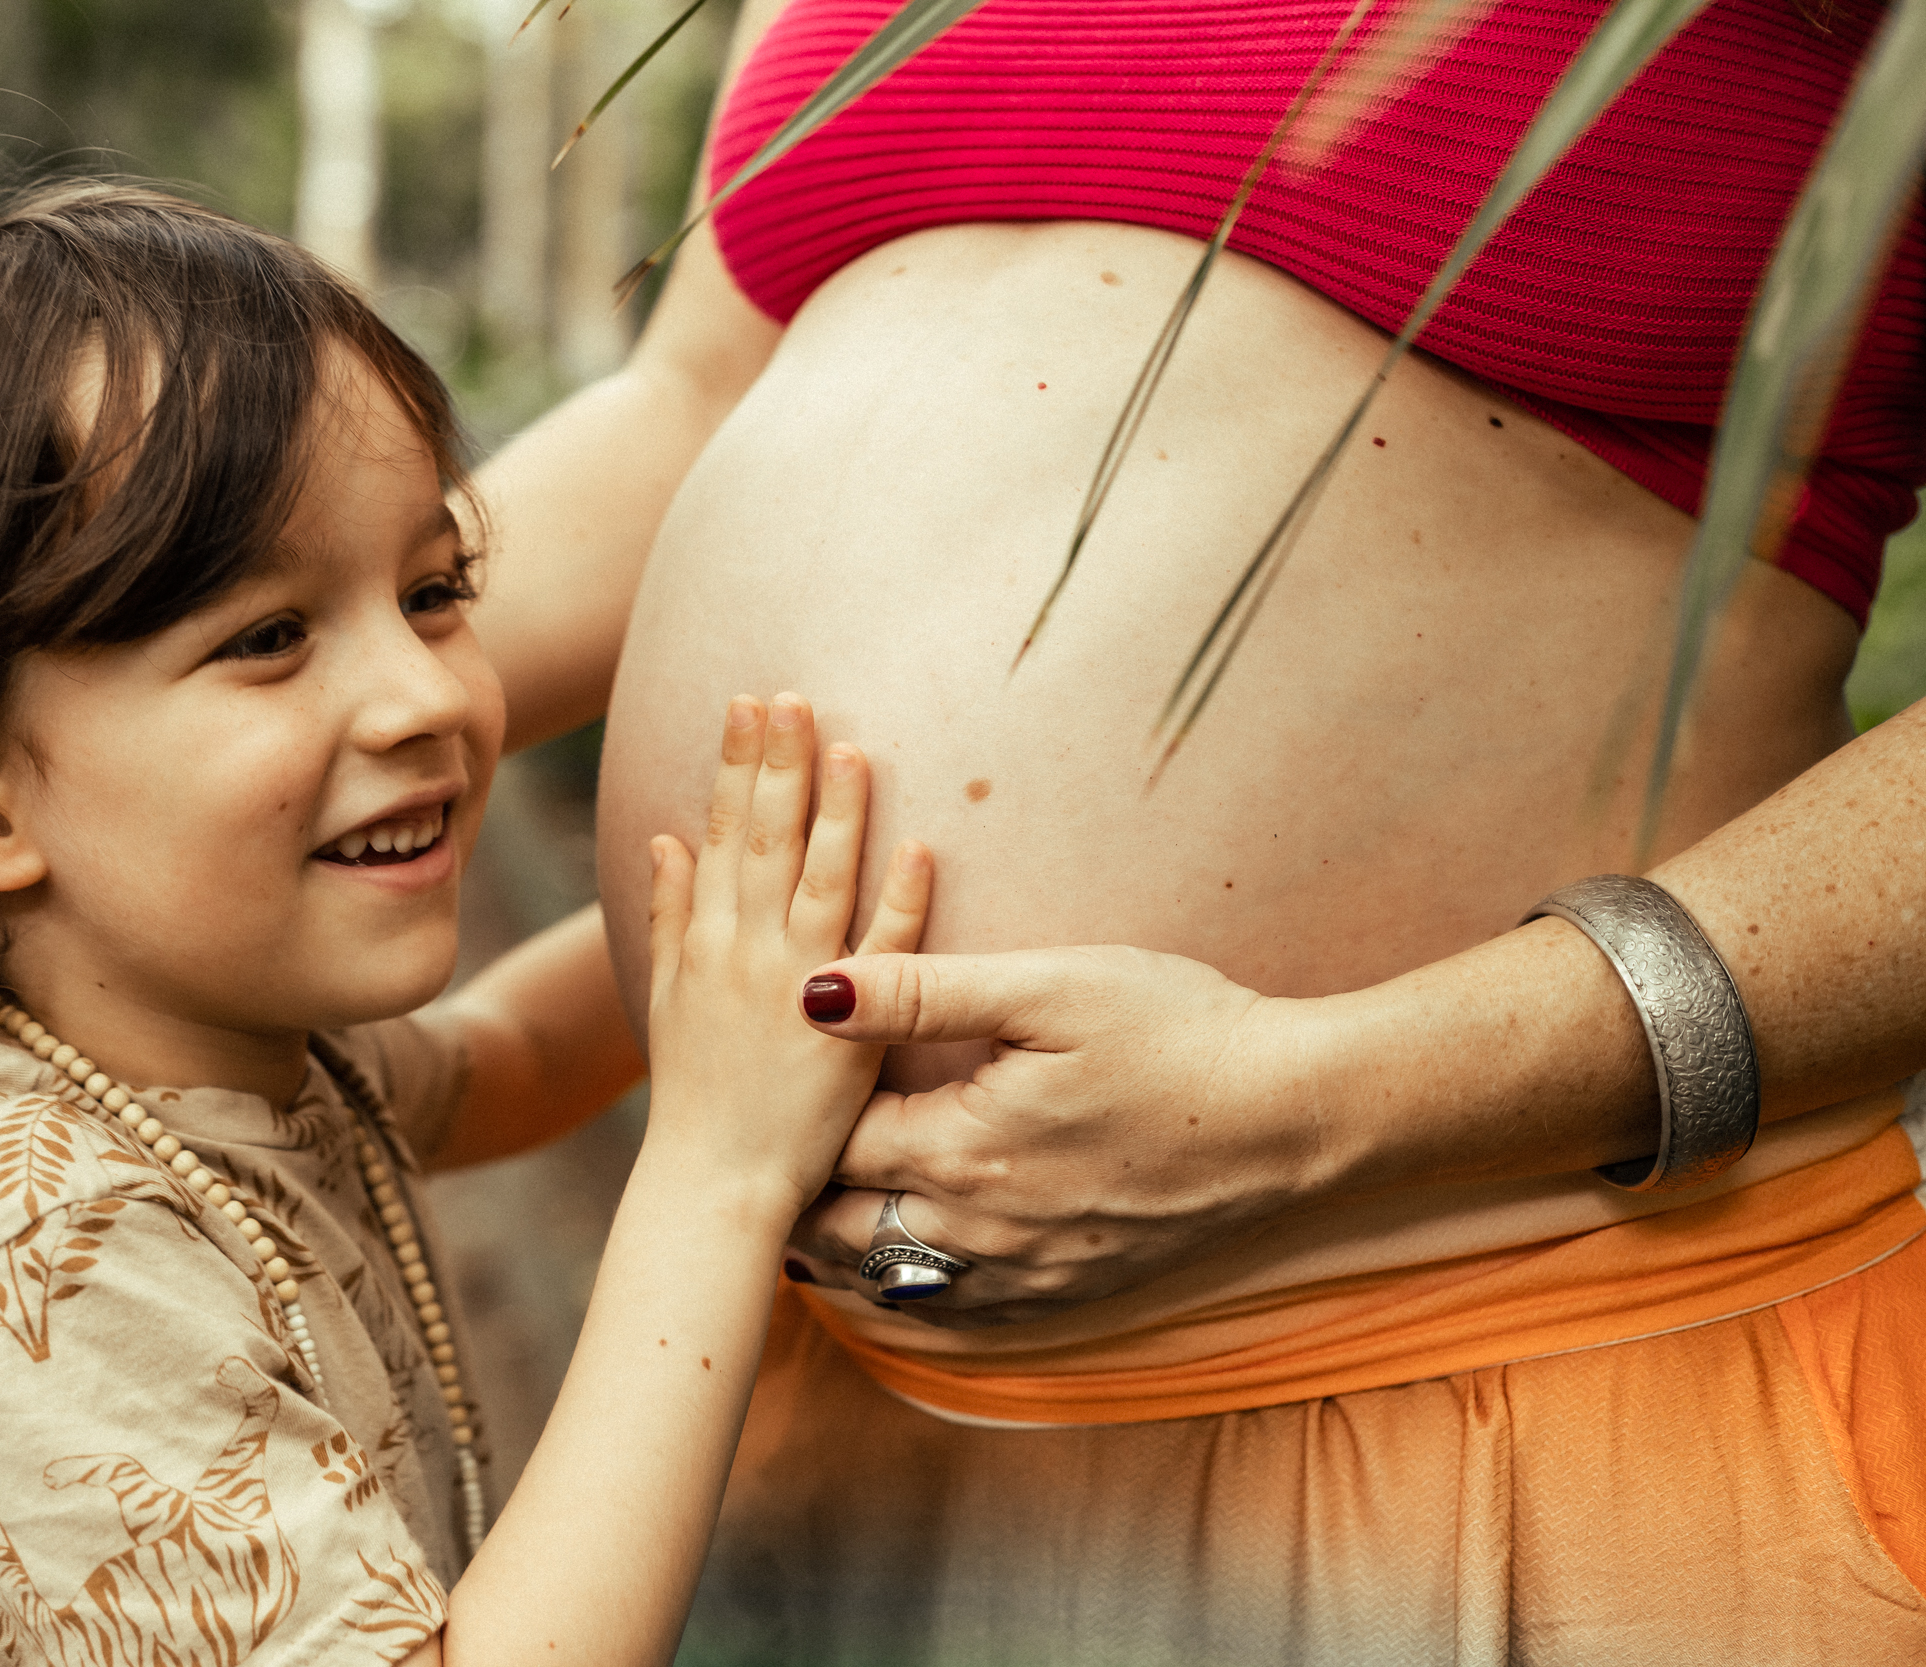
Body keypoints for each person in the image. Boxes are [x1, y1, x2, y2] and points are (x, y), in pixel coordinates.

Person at [464, 0, 1926, 1657]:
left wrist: (1323, 1102)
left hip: (1520, 1393)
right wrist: (238, 696)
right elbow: (686, 402)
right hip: (808, 1416)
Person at [0, 134, 939, 1667]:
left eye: (433, 592)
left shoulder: (196, 1058)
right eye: (268, 636)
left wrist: (751, 961)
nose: (426, 694)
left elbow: (500, 1063)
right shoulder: (36, 1249)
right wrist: (719, 1171)